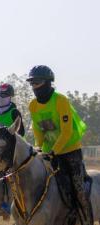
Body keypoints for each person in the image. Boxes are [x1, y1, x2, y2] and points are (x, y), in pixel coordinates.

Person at [27, 65, 92, 225]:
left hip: (70, 151)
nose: (34, 86)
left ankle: (87, 220)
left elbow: (67, 131)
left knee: (78, 190)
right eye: (32, 83)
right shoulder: (33, 105)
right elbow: (38, 130)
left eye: (37, 82)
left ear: (48, 82)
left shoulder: (61, 100)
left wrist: (54, 151)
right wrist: (38, 147)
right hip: (49, 153)